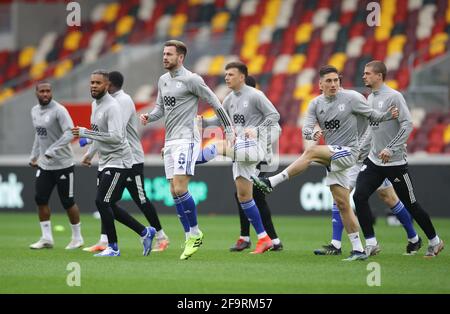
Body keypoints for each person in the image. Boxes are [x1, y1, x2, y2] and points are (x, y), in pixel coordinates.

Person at [252, 65, 399, 261]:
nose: (333, 84)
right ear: (320, 84)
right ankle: (358, 249)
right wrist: (312, 133)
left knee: (312, 151)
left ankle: (272, 182)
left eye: (336, 80)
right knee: (342, 204)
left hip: (349, 152)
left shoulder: (352, 98)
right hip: (333, 157)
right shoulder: (315, 104)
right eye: (328, 81)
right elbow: (305, 130)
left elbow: (374, 116)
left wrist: (389, 115)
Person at [140, 40, 234, 260]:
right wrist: (148, 117)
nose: (164, 57)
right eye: (163, 54)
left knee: (181, 188)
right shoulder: (163, 80)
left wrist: (228, 129)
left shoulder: (192, 79)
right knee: (174, 191)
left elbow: (214, 102)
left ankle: (194, 234)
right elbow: (160, 109)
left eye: (169, 54)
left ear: (180, 58)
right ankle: (190, 234)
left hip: (187, 139)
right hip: (171, 140)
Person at [353, 60, 444, 257]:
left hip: (395, 163)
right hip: (374, 161)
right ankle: (371, 243)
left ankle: (435, 241)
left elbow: (407, 124)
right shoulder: (369, 98)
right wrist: (361, 150)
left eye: (368, 73)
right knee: (359, 196)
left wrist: (390, 148)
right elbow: (372, 127)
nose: (364, 76)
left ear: (379, 76)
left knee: (411, 204)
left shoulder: (394, 97)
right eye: (364, 73)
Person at [82, 71, 170, 253]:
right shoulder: (99, 104)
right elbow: (101, 130)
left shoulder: (120, 102)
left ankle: (161, 236)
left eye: (99, 83)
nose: (95, 86)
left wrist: (88, 137)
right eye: (93, 82)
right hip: (111, 158)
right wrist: (90, 152)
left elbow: (115, 133)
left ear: (109, 85)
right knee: (107, 201)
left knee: (138, 198)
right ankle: (106, 240)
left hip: (130, 158)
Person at [199, 62, 281, 254]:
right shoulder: (229, 99)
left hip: (253, 150)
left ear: (242, 77)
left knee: (219, 146)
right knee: (244, 196)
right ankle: (264, 239)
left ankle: (189, 160)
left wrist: (258, 130)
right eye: (225, 74)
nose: (226, 77)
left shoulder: (255, 95)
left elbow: (275, 116)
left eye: (230, 74)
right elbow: (221, 120)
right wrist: (203, 122)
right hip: (240, 150)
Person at [29, 82, 84, 250]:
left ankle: (77, 237)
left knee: (67, 202)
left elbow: (70, 133)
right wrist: (34, 155)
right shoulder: (34, 111)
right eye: (42, 91)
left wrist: (53, 150)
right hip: (45, 165)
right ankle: (47, 238)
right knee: (40, 198)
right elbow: (39, 135)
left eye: (48, 91)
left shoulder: (59, 110)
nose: (45, 94)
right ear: (36, 93)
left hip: (63, 164)